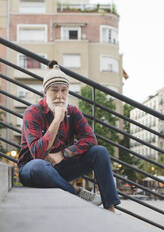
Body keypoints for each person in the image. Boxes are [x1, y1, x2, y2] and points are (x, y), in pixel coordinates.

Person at [17, 60, 120, 213]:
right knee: (40, 166)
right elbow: (38, 154)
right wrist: (57, 119)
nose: (60, 96)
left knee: (100, 152)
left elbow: (90, 140)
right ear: (45, 93)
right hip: (31, 168)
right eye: (54, 90)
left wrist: (64, 153)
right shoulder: (33, 112)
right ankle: (75, 193)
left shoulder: (73, 112)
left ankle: (110, 208)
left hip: (61, 167)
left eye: (64, 90)